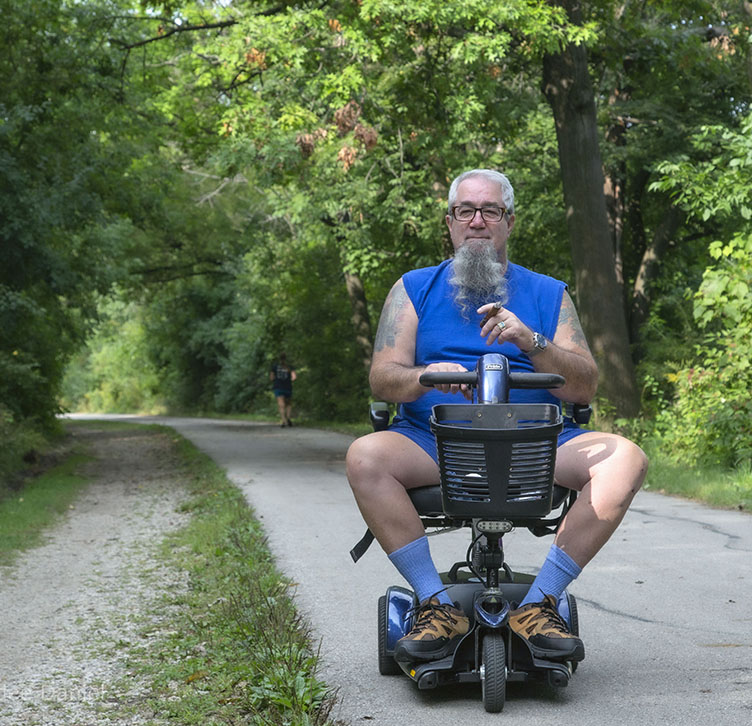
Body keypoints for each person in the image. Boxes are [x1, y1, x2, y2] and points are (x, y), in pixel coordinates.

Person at [345, 169, 648, 664]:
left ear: (509, 221)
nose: (478, 221)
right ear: (450, 222)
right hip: (433, 442)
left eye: (490, 211)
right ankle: (435, 604)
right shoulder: (413, 288)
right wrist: (424, 375)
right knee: (364, 457)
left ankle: (539, 604)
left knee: (627, 458)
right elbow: (383, 377)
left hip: (537, 443)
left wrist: (533, 341)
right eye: (466, 210)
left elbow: (585, 384)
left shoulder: (549, 294)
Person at [270, 354, 297, 427]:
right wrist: (288, 380)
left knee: (281, 405)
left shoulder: (275, 367)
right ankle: (288, 418)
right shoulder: (290, 367)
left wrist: (277, 379)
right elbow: (294, 377)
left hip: (278, 387)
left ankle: (284, 421)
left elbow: (271, 378)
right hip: (288, 387)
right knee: (288, 404)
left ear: (279, 359)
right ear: (286, 358)